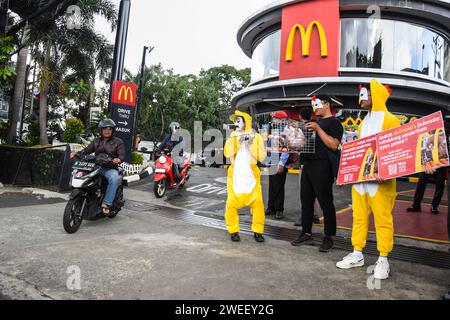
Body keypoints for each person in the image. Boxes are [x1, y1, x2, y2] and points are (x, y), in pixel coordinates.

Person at [335, 80, 401, 280]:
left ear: (376, 96)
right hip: (361, 181)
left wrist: (387, 171)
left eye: (365, 94)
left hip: (382, 182)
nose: (361, 98)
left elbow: (396, 151)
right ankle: (357, 253)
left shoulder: (391, 121)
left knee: (383, 219)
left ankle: (383, 258)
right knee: (359, 217)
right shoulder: (364, 122)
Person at [291, 97, 343, 252]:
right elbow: (305, 144)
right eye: (313, 106)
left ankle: (329, 237)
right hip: (308, 164)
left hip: (323, 166)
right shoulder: (314, 123)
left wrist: (318, 129)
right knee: (306, 201)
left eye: (317, 105)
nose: (314, 108)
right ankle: (306, 233)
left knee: (326, 202)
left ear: (327, 105)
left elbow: (334, 145)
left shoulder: (334, 123)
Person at [224, 110, 266, 243]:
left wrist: (252, 142)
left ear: (246, 122)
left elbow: (262, 156)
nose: (236, 123)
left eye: (238, 120)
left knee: (258, 205)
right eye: (235, 121)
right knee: (230, 205)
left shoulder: (256, 136)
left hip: (251, 177)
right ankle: (233, 231)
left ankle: (258, 231)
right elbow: (227, 153)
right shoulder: (233, 136)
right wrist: (238, 141)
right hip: (236, 177)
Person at [70, 119, 125, 215]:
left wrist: (118, 159)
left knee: (114, 178)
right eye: (104, 129)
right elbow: (86, 150)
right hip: (95, 167)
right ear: (101, 130)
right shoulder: (96, 141)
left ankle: (106, 203)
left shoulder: (118, 142)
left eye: (109, 129)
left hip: (109, 168)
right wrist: (77, 153)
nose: (107, 131)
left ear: (112, 130)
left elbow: (122, 155)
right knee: (82, 175)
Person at [294, 107, 322, 227]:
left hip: (305, 162)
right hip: (317, 162)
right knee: (316, 191)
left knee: (305, 192)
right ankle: (315, 214)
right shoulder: (316, 126)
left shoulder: (301, 128)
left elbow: (298, 145)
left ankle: (306, 215)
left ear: (300, 116)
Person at [266, 111, 290, 220]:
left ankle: (279, 209)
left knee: (279, 187)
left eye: (274, 118)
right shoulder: (274, 131)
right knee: (272, 186)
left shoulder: (285, 132)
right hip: (272, 161)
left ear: (280, 120)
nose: (272, 120)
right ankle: (271, 207)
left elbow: (286, 149)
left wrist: (281, 163)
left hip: (279, 163)